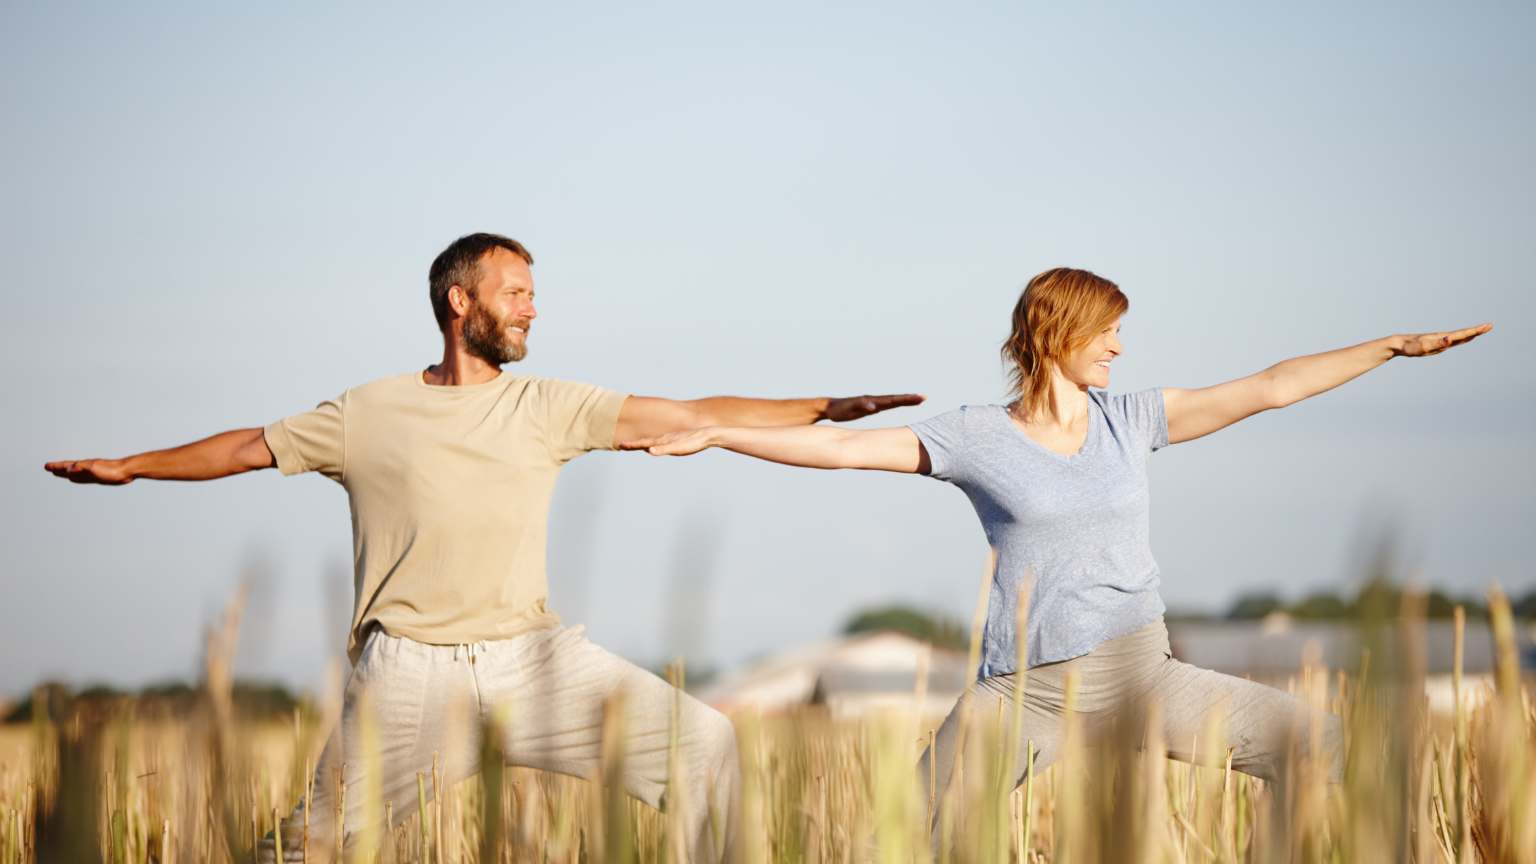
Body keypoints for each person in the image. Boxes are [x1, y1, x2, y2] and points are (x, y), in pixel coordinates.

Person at [44, 232, 923, 863]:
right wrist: (132, 466)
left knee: (709, 747)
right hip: (408, 681)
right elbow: (247, 447)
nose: (532, 308)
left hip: (537, 663)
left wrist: (820, 406)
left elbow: (690, 413)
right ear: (459, 301)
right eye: (515, 292)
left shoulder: (548, 405)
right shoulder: (367, 413)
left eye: (534, 294)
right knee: (304, 848)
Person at [624, 267, 1491, 829]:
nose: (1121, 344)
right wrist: (716, 433)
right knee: (921, 837)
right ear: (1055, 334)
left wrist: (1391, 348)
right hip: (1027, 694)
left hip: (1144, 676)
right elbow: (843, 449)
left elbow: (1268, 387)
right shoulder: (972, 438)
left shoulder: (1133, 419)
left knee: (1321, 745)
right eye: (1107, 329)